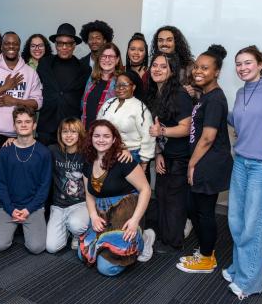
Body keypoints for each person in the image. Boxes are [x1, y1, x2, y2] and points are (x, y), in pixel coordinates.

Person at [223, 46, 262, 299]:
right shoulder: (239, 92)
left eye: (248, 62)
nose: (242, 68)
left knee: (254, 225)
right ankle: (239, 267)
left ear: (261, 64)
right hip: (241, 162)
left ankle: (249, 282)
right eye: (238, 64)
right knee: (235, 219)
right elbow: (240, 121)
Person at [0, 32, 43, 227]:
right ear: (2, 45)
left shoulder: (30, 73)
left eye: (15, 43)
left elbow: (37, 103)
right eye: (7, 43)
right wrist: (5, 87)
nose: (11, 46)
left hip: (18, 134)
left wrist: (14, 100)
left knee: (14, 174)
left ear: (19, 45)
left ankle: (9, 207)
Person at [177, 44, 233, 273]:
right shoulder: (206, 96)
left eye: (205, 68)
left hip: (209, 163)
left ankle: (208, 259)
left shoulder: (215, 99)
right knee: (195, 208)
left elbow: (208, 137)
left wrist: (192, 164)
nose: (198, 71)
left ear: (217, 72)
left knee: (204, 212)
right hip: (203, 161)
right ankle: (205, 251)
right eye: (197, 67)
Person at [80, 120, 153, 276]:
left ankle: (144, 238)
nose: (101, 140)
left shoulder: (123, 159)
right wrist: (93, 216)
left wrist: (134, 220)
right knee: (84, 255)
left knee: (107, 268)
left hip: (125, 208)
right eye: (97, 136)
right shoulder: (88, 160)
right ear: (91, 138)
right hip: (101, 210)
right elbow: (89, 193)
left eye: (106, 136)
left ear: (114, 139)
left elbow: (145, 189)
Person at [144, 52, 193, 254]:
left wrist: (162, 132)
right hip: (166, 154)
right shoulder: (157, 93)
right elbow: (157, 128)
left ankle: (174, 242)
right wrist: (158, 154)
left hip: (180, 157)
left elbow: (186, 127)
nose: (157, 69)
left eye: (163, 66)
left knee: (174, 200)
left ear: (172, 71)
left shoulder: (179, 94)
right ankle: (167, 237)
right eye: (154, 65)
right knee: (162, 196)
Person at [0, 106, 51, 254]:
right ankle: (16, 227)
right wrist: (10, 209)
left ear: (34, 125)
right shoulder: (5, 151)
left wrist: (28, 209)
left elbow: (44, 187)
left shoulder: (44, 152)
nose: (23, 125)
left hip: (33, 207)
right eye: (19, 122)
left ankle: (24, 226)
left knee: (37, 248)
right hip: (9, 206)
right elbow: (1, 183)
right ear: (14, 125)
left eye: (27, 121)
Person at [37, 23, 91, 146]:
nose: (64, 47)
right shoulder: (44, 64)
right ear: (56, 45)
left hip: (71, 130)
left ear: (74, 45)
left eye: (68, 43)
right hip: (46, 126)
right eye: (60, 43)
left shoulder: (84, 69)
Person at [45, 118, 89, 253]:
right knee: (51, 248)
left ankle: (77, 233)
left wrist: (123, 149)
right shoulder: (52, 150)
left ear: (80, 134)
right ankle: (67, 229)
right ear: (60, 134)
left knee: (76, 225)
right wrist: (13, 140)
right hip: (59, 205)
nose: (69, 135)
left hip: (80, 204)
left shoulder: (87, 153)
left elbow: (106, 149)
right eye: (65, 132)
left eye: (73, 132)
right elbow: (33, 148)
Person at [98, 72, 155, 169]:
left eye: (124, 85)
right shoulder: (108, 103)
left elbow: (148, 136)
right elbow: (98, 125)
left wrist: (144, 161)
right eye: (117, 85)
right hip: (108, 152)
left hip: (131, 155)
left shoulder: (140, 108)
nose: (120, 88)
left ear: (133, 87)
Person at [81, 42, 123, 129]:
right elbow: (83, 105)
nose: (107, 60)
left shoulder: (121, 81)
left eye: (111, 56)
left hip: (107, 135)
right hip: (86, 132)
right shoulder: (92, 79)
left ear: (117, 60)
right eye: (103, 56)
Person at [150, 25, 195, 96]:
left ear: (176, 42)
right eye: (160, 40)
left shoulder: (188, 64)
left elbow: (201, 90)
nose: (164, 44)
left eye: (169, 40)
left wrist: (193, 93)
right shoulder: (154, 62)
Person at [124, 33, 149, 101]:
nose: (136, 53)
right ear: (128, 51)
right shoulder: (121, 70)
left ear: (145, 53)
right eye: (132, 49)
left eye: (141, 50)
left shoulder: (151, 73)